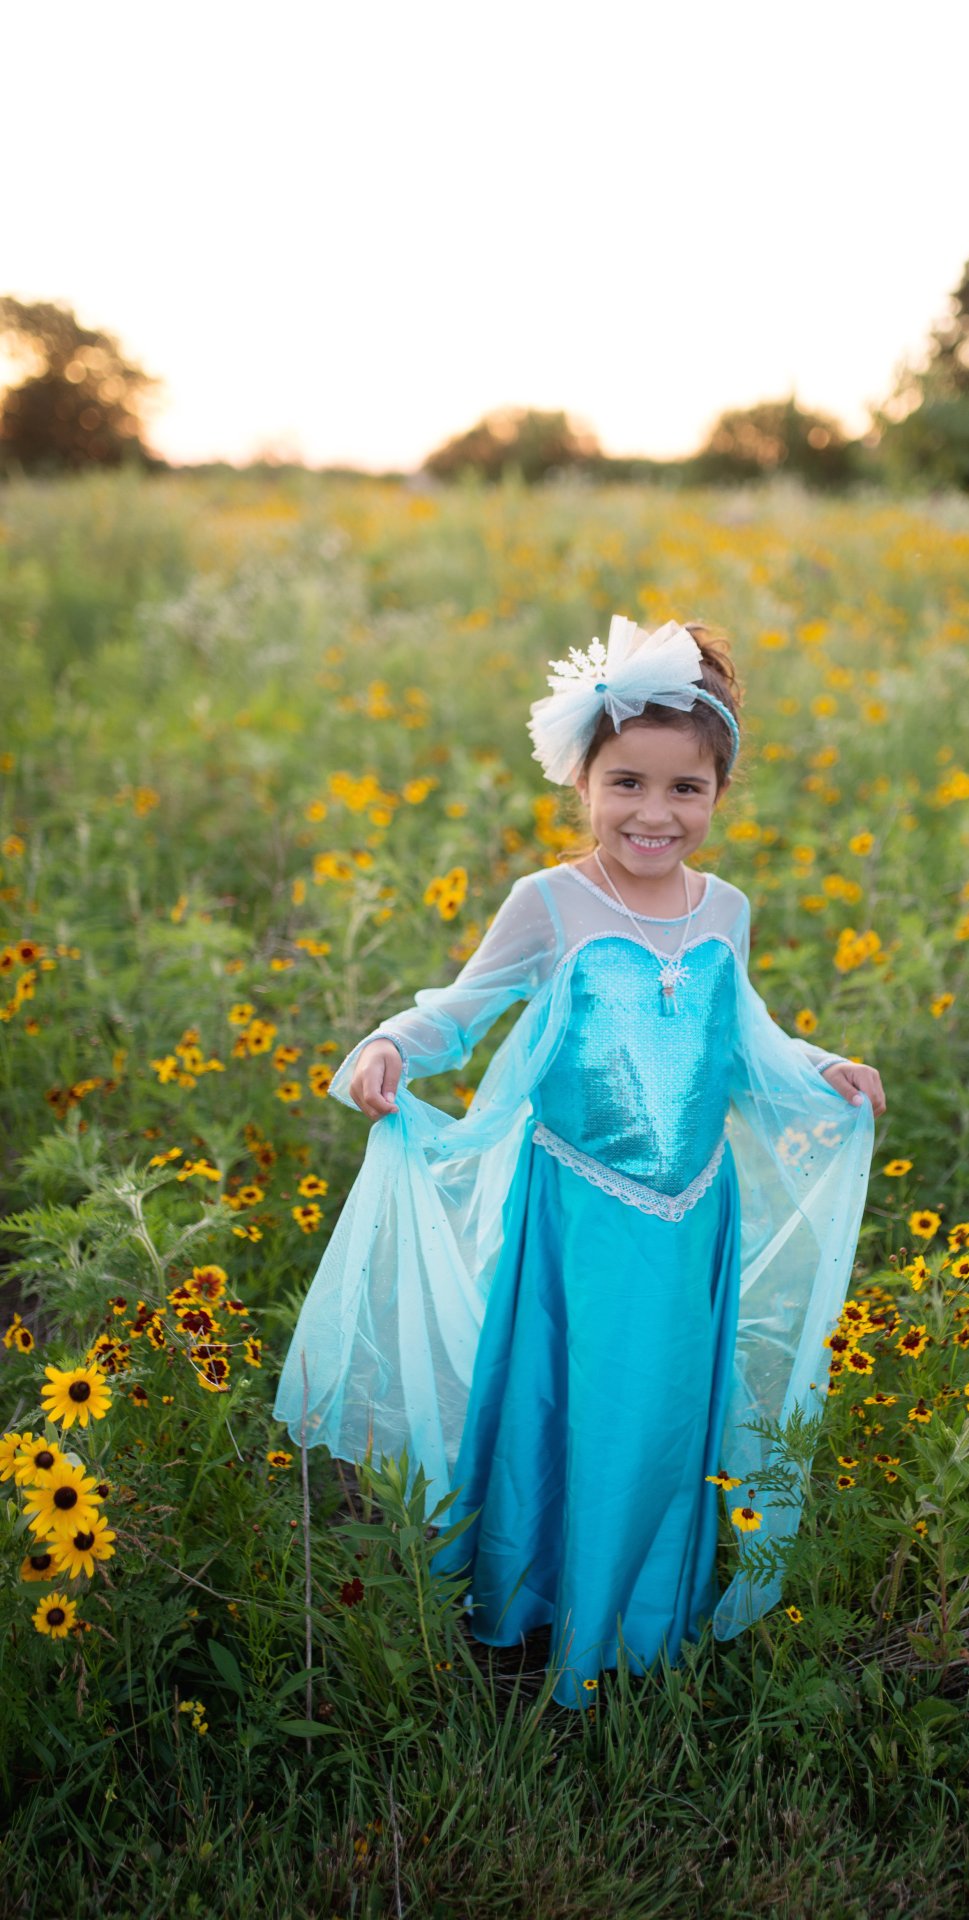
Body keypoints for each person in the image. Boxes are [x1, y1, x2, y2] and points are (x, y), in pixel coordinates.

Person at [272, 614, 883, 1709]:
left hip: (694, 1212)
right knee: (580, 1403)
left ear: (717, 792)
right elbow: (460, 1012)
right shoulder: (550, 903)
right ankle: (541, 1610)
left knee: (659, 1415)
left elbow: (745, 1035)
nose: (655, 814)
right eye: (628, 784)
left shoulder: (726, 910)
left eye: (685, 790)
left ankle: (642, 1616)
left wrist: (823, 1064)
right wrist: (383, 1045)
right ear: (584, 781)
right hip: (579, 1215)